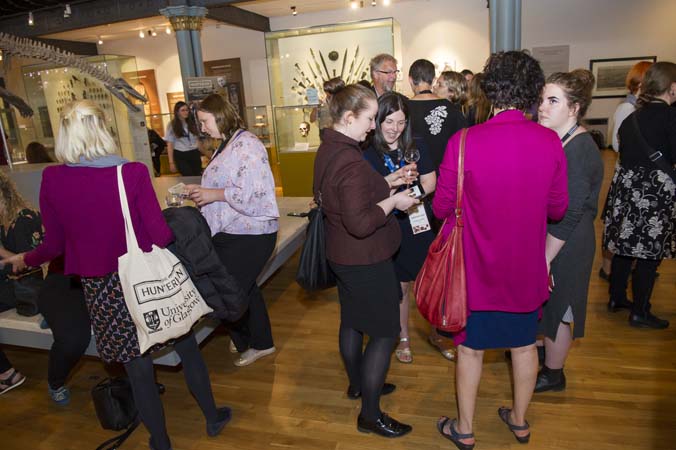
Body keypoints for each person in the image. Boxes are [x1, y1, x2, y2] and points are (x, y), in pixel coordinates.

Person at [1, 100, 229, 450]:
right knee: (186, 346)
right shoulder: (131, 173)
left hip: (102, 288)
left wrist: (24, 258)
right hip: (147, 281)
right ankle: (212, 418)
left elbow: (55, 245)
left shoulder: (54, 178)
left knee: (137, 369)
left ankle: (161, 442)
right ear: (103, 130)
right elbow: (160, 236)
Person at [432, 51, 568, 449]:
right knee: (524, 346)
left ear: (490, 90)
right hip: (525, 269)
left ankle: (465, 428)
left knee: (471, 351)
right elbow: (558, 208)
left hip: (474, 271)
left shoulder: (463, 141)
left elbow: (441, 208)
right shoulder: (549, 141)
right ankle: (520, 421)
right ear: (531, 92)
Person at [315, 83, 418, 437]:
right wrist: (395, 202)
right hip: (364, 257)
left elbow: (349, 197)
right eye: (370, 118)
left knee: (353, 321)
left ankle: (360, 385)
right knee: (386, 332)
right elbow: (360, 222)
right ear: (348, 117)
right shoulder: (350, 160)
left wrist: (388, 181)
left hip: (342, 254)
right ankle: (370, 415)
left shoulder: (330, 148)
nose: (374, 126)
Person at [187, 94, 279, 367]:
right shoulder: (230, 142)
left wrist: (211, 194)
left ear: (219, 115)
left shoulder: (247, 145)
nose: (203, 128)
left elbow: (254, 195)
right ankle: (260, 341)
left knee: (228, 292)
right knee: (246, 288)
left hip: (251, 233)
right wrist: (204, 193)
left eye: (205, 121)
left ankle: (247, 340)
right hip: (236, 230)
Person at [535, 69, 604, 392]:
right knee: (549, 304)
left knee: (561, 306)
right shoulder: (559, 140)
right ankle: (544, 356)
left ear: (574, 108)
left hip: (568, 241)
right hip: (556, 237)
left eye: (553, 101)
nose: (543, 107)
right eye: (542, 100)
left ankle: (553, 373)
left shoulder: (579, 148)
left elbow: (571, 212)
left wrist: (546, 257)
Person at [0, 171, 90, 406]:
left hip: (28, 285)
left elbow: (30, 264)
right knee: (72, 336)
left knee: (75, 335)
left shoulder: (25, 219)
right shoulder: (7, 222)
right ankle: (26, 376)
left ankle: (9, 374)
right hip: (46, 281)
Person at [363, 91, 436, 364]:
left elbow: (431, 183)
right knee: (399, 288)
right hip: (386, 225)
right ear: (378, 120)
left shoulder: (416, 145)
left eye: (401, 122)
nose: (395, 128)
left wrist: (411, 198)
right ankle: (403, 337)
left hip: (417, 221)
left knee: (427, 283)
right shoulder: (367, 151)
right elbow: (369, 194)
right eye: (389, 121)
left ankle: (437, 331)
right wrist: (394, 188)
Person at [602, 61, 676, 329]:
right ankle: (641, 310)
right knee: (648, 254)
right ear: (673, 87)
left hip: (627, 189)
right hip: (654, 193)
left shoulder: (631, 117)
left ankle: (617, 298)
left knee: (624, 247)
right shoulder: (670, 117)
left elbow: (620, 149)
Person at [599, 61, 653, 281]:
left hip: (635, 176)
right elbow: (618, 144)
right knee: (619, 227)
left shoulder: (639, 108)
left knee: (626, 228)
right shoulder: (627, 108)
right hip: (628, 176)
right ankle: (608, 268)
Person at [407, 59, 468, 172]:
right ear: (433, 80)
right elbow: (463, 147)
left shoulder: (403, 108)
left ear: (410, 80)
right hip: (445, 175)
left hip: (412, 175)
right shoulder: (452, 110)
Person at [165, 101, 202, 176]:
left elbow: (198, 141)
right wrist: (171, 163)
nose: (186, 112)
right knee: (188, 176)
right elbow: (170, 145)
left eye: (187, 110)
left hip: (194, 153)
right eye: (183, 110)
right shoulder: (172, 125)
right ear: (177, 112)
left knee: (197, 175)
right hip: (181, 154)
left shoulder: (192, 123)